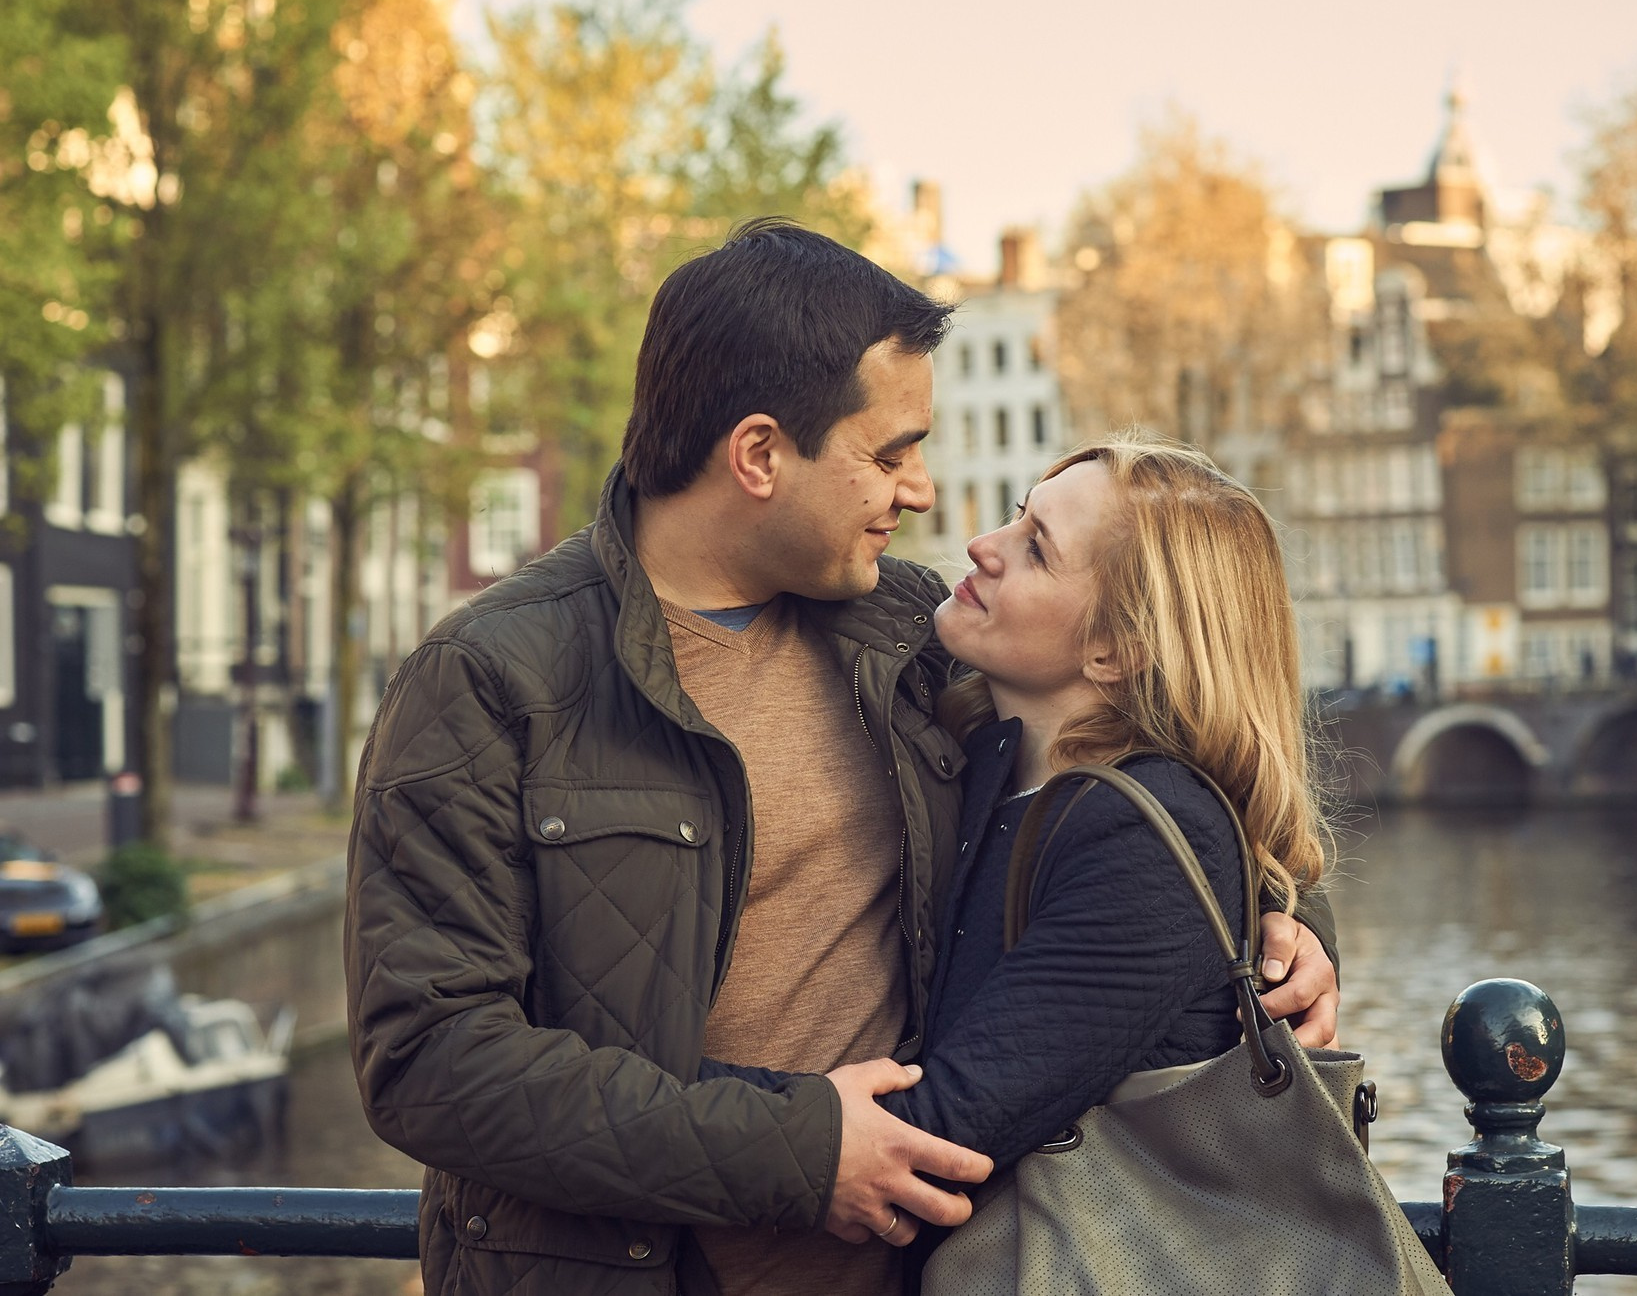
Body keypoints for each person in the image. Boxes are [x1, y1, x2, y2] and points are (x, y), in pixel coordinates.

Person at [343, 219, 1341, 1296]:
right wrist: (798, 1149)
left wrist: (1284, 926)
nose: (922, 494)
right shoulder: (490, 676)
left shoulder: (911, 634)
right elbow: (430, 1060)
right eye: (889, 454)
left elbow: (1161, 780)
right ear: (760, 455)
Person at [767, 436, 1338, 1283]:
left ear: (1114, 648)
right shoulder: (978, 759)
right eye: (1017, 514)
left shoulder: (1144, 833)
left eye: (1036, 547)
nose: (981, 545)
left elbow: (943, 1131)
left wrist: (650, 1103)